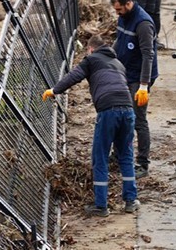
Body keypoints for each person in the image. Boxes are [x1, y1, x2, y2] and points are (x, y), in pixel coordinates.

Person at [43, 35, 140, 217]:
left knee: (100, 157)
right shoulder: (119, 64)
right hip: (128, 109)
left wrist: (54, 90)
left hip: (108, 110)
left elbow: (75, 76)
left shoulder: (92, 59)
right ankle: (130, 201)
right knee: (126, 155)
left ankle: (101, 206)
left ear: (90, 49)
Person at [111, 0, 158, 178]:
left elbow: (148, 55)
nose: (117, 13)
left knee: (138, 119)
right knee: (120, 114)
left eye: (119, 9)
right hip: (125, 72)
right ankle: (119, 154)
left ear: (128, 4)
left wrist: (144, 85)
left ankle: (143, 163)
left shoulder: (143, 24)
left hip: (140, 77)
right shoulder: (123, 17)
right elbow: (120, 41)